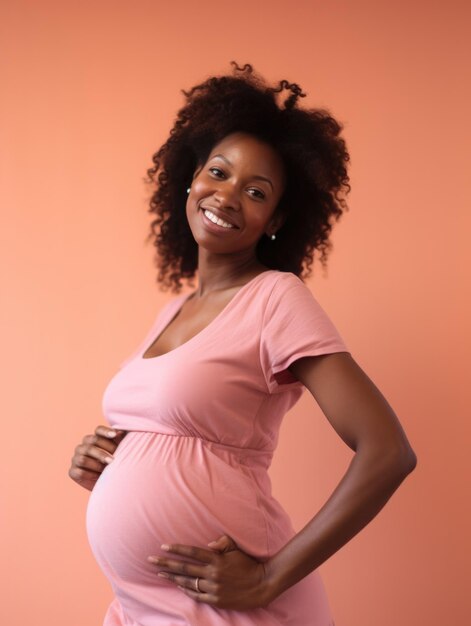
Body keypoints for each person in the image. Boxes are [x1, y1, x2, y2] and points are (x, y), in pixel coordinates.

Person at [68, 62, 417, 626]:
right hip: (142, 607)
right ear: (190, 178)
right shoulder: (173, 310)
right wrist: (104, 463)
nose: (228, 196)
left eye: (255, 191)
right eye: (219, 172)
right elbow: (171, 443)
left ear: (275, 219)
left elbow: (389, 451)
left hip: (231, 611)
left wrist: (271, 577)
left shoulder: (275, 298)